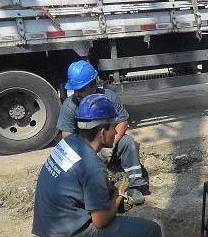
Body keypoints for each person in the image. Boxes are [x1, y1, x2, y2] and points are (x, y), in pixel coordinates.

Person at [33, 94, 162, 237]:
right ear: (102, 132)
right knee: (152, 232)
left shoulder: (68, 143)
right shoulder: (93, 167)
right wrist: (119, 195)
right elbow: (100, 221)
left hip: (46, 232)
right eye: (113, 127)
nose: (117, 133)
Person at [57, 60, 148, 205]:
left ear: (93, 85)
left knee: (129, 143)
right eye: (75, 90)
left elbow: (122, 122)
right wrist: (89, 153)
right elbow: (67, 137)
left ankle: (136, 185)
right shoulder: (70, 105)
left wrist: (110, 147)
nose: (77, 94)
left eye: (81, 89)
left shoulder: (109, 97)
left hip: (107, 141)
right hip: (85, 148)